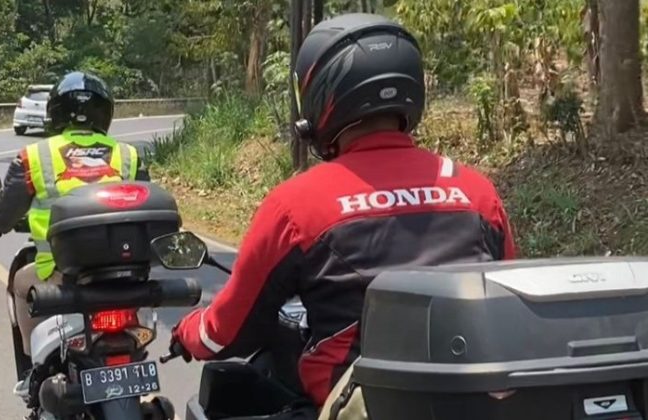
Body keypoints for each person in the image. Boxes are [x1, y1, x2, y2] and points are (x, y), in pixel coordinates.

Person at [170, 12, 516, 416]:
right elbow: (507, 308)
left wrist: (187, 331)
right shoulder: (477, 192)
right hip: (471, 405)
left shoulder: (298, 205)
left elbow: (226, 333)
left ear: (320, 98)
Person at [0, 71, 149, 360]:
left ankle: (32, 364)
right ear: (104, 112)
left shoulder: (34, 156)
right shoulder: (128, 155)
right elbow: (145, 204)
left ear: (55, 112)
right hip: (122, 275)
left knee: (20, 283)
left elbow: (7, 214)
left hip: (59, 272)